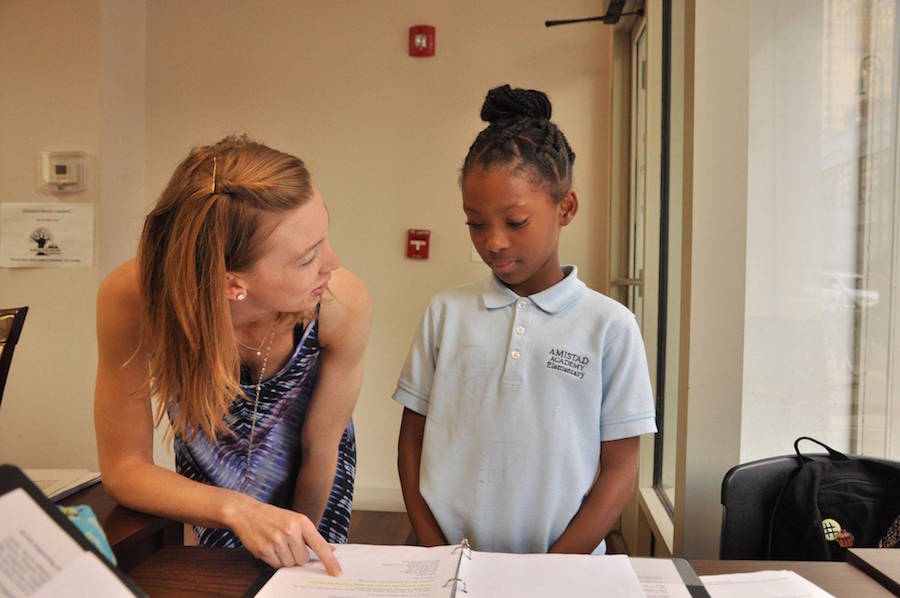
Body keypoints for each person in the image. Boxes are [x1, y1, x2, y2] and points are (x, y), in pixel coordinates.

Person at [394, 85, 657, 554]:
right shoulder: (446, 313)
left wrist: (554, 569)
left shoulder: (610, 326)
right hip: (445, 564)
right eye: (476, 223)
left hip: (561, 571)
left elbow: (621, 467)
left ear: (566, 208)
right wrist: (435, 549)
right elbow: (412, 439)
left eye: (515, 222)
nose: (493, 242)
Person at [94, 135, 372, 573]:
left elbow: (321, 450)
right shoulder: (134, 298)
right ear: (231, 284)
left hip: (310, 482)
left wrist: (296, 559)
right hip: (207, 490)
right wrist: (234, 510)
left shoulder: (341, 305)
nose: (333, 263)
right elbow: (124, 468)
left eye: (325, 239)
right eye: (307, 258)